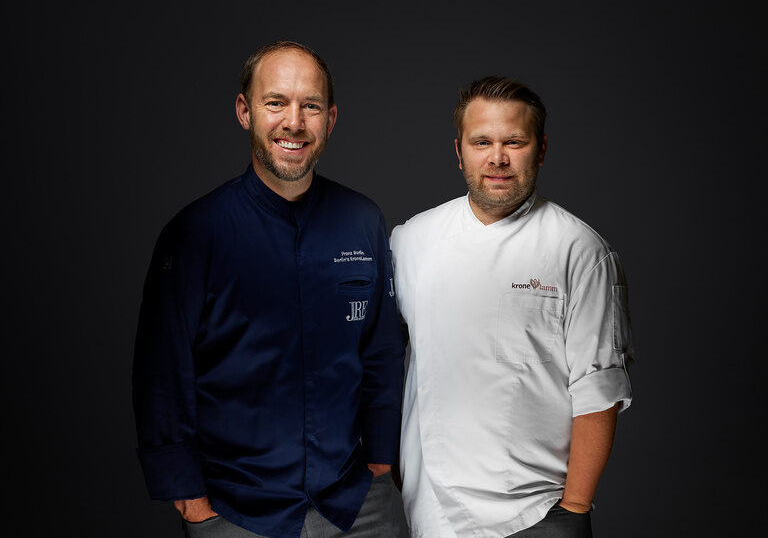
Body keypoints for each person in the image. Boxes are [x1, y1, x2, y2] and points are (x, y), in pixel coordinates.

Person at [133, 41, 407, 538]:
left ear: (331, 119)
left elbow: (382, 350)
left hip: (356, 504)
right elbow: (162, 374)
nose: (294, 122)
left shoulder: (363, 220)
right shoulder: (195, 233)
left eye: (312, 106)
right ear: (245, 111)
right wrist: (193, 503)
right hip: (235, 511)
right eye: (275, 102)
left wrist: (382, 461)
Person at [390, 77, 634, 538]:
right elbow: (379, 363)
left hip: (536, 514)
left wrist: (574, 511)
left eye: (514, 142)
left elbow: (598, 391)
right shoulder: (412, 241)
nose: (497, 157)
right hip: (430, 511)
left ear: (540, 149)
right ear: (458, 150)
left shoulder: (579, 250)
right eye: (481, 141)